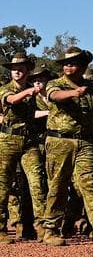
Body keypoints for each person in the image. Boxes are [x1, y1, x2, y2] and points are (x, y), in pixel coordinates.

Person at [41, 47, 93, 246]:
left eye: (73, 63)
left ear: (82, 67)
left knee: (89, 183)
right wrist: (74, 93)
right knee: (58, 185)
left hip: (85, 142)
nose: (68, 66)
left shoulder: (92, 87)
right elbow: (54, 96)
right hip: (60, 141)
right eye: (66, 63)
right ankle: (50, 229)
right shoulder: (55, 83)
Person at [0, 52, 46, 243]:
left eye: (21, 68)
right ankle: (1, 228)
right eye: (14, 69)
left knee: (37, 184)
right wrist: (28, 92)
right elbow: (11, 100)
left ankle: (43, 228)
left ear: (28, 71)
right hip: (8, 140)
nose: (17, 72)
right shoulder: (5, 89)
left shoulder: (33, 91)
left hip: (29, 142)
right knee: (3, 185)